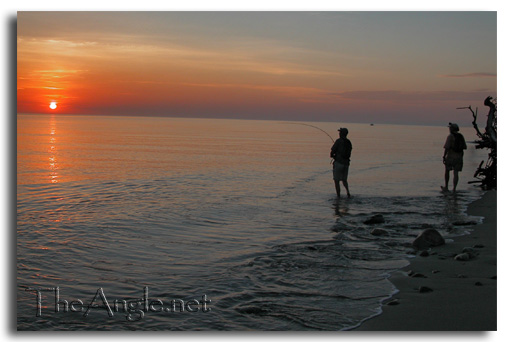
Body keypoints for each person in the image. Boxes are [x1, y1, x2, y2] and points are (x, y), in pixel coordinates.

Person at [442, 122, 467, 192]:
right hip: (459, 157)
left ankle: (446, 186)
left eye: (450, 128)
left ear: (451, 129)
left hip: (451, 157)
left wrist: (444, 156)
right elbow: (464, 147)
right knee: (456, 173)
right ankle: (454, 188)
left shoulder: (450, 136)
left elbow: (447, 147)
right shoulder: (461, 136)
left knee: (447, 171)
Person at [330, 127, 352, 198]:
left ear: (341, 133)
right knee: (344, 180)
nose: (339, 133)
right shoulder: (349, 142)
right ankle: (348, 193)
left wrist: (333, 155)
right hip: (346, 164)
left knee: (336, 181)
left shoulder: (338, 141)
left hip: (339, 163)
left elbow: (332, 152)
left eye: (340, 132)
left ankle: (338, 196)